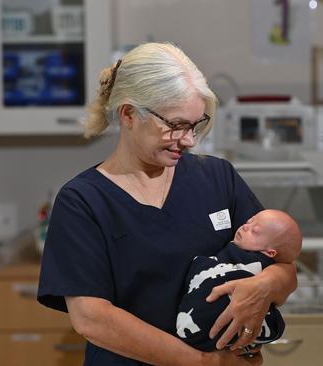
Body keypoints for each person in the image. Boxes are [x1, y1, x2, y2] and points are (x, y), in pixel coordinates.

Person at [37, 42, 297, 366]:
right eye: (175, 125)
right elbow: (92, 319)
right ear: (129, 114)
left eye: (195, 124)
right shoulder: (83, 202)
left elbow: (284, 266)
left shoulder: (217, 178)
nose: (188, 140)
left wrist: (265, 285)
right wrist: (205, 363)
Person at [176, 209, 302, 352]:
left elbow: (289, 273)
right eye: (248, 221)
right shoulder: (233, 250)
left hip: (205, 329)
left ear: (269, 253)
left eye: (255, 231)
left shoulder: (261, 264)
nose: (245, 226)